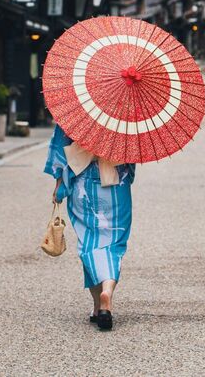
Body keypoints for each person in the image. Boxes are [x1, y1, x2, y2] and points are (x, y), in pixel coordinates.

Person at [44, 124, 135, 331]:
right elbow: (134, 151)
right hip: (115, 181)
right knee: (114, 243)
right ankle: (107, 294)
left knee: (90, 242)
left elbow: (59, 148)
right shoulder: (127, 113)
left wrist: (59, 183)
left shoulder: (76, 109)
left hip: (82, 182)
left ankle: (97, 306)